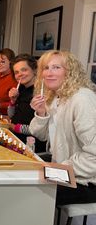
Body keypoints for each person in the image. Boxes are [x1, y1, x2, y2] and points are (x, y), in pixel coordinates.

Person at [29, 50, 96, 206]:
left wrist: (58, 169)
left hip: (87, 180)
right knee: (20, 175)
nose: (49, 73)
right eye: (46, 68)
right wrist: (41, 113)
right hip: (64, 168)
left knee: (28, 192)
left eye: (56, 67)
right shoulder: (55, 97)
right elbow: (42, 135)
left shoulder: (82, 98)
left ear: (70, 72)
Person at [7, 54, 46, 153]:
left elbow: (39, 129)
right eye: (16, 72)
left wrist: (15, 127)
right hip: (16, 139)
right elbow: (12, 115)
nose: (19, 74)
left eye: (24, 70)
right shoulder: (20, 89)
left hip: (32, 147)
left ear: (34, 70)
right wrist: (12, 101)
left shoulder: (41, 93)